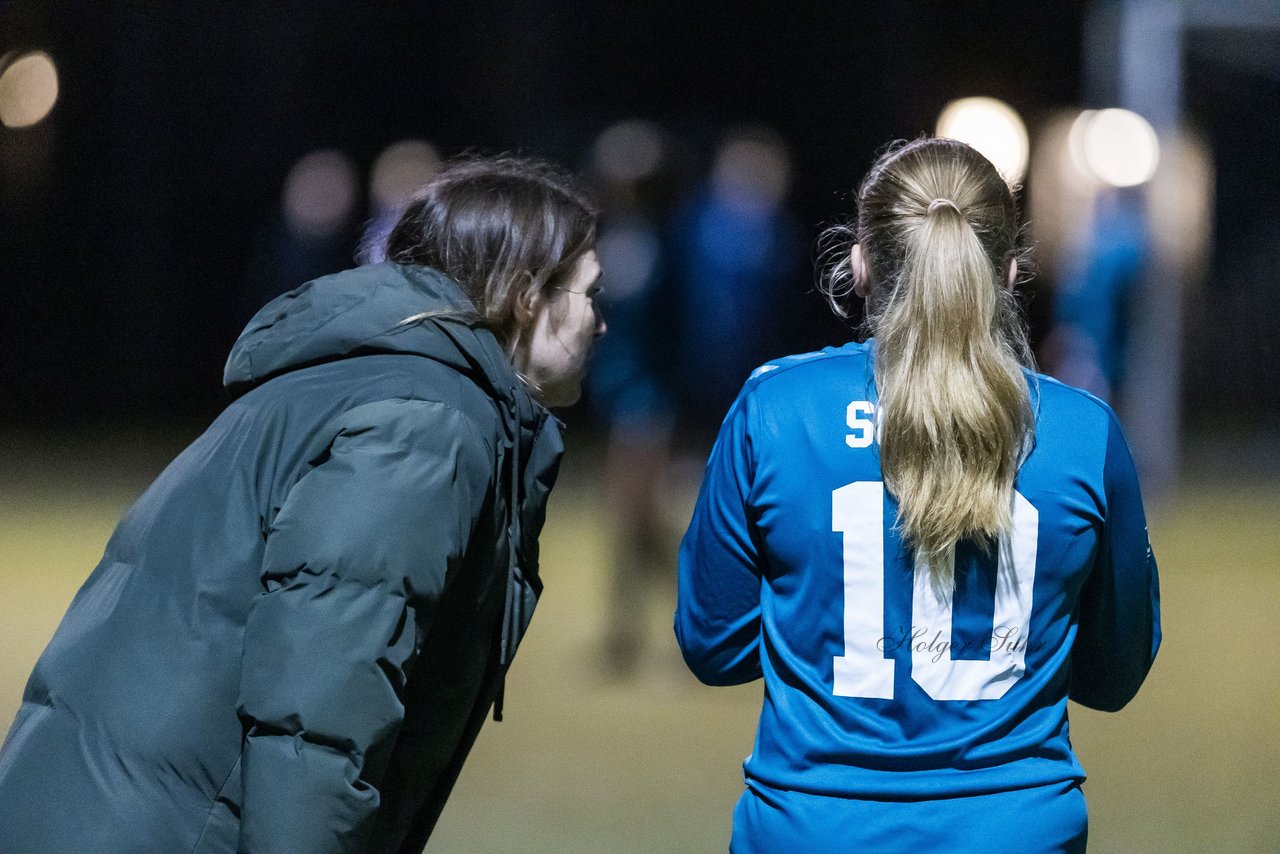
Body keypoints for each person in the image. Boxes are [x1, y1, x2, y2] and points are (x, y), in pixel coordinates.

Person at [0, 154, 605, 853]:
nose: (599, 323)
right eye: (591, 294)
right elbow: (320, 708)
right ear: (528, 295)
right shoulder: (422, 422)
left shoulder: (361, 380)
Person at [675, 137, 1160, 853]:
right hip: (1013, 830)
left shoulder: (774, 409)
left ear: (860, 264)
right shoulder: (1083, 432)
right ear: (1011, 271)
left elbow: (714, 645)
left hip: (812, 829)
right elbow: (1115, 673)